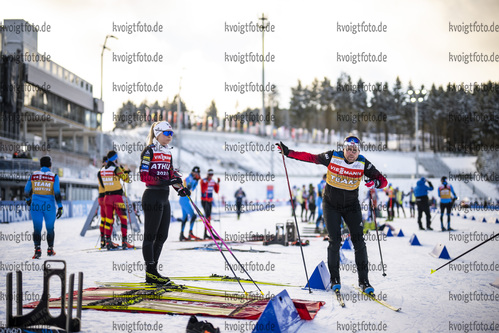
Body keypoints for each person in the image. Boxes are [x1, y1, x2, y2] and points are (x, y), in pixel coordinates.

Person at [277, 135, 387, 293]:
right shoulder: (333, 157)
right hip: (331, 205)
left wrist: (375, 183)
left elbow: (383, 181)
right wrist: (289, 153)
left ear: (358, 152)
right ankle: (335, 279)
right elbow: (311, 158)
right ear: (343, 149)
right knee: (335, 241)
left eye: (354, 150)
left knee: (359, 242)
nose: (351, 152)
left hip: (351, 206)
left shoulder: (363, 163)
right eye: (348, 149)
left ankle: (364, 281)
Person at [139, 121, 190, 284]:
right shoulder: (149, 151)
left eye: (171, 133)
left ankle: (153, 272)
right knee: (150, 236)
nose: (170, 137)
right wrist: (165, 182)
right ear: (157, 134)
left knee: (162, 236)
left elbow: (171, 174)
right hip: (152, 196)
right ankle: (150, 272)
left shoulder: (168, 153)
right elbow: (144, 176)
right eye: (167, 133)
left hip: (164, 196)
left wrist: (179, 188)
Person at [24, 156, 63, 259]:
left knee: (37, 228)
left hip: (35, 205)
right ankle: (50, 249)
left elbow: (26, 191)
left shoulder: (33, 175)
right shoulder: (54, 176)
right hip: (49, 206)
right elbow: (57, 193)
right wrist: (60, 207)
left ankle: (37, 250)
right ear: (50, 165)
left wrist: (28, 201)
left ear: (40, 165)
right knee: (50, 228)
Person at [98, 150, 132, 250]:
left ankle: (108, 242)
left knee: (109, 220)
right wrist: (125, 171)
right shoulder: (116, 169)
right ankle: (124, 241)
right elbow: (127, 179)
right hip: (117, 198)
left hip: (106, 198)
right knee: (123, 218)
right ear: (115, 158)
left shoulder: (102, 170)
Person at [179, 166, 201, 241]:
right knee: (193, 216)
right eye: (195, 172)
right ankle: (190, 232)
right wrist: (195, 181)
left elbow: (192, 189)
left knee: (185, 218)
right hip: (184, 199)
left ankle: (181, 234)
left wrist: (196, 181)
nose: (196, 174)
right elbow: (188, 186)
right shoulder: (189, 178)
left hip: (185, 199)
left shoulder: (193, 178)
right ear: (192, 172)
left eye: (197, 173)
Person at [200, 169, 220, 239]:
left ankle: (206, 233)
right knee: (207, 217)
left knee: (208, 217)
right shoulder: (203, 180)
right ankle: (209, 233)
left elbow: (216, 191)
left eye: (212, 174)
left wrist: (217, 183)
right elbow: (203, 190)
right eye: (209, 174)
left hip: (210, 200)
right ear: (207, 174)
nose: (210, 176)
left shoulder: (213, 181)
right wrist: (207, 183)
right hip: (204, 200)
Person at [97, 156, 109, 248]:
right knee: (106, 219)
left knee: (104, 219)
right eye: (106, 162)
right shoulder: (101, 172)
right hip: (104, 196)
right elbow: (103, 184)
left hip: (102, 197)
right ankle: (104, 239)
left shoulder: (103, 171)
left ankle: (104, 239)